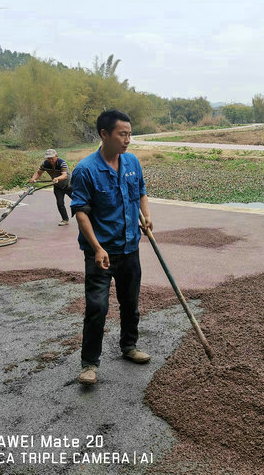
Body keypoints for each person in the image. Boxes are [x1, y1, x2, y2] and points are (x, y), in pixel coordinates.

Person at [70, 109, 153, 385]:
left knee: (130, 303)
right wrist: (96, 248)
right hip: (101, 253)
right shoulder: (86, 170)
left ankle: (129, 346)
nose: (128, 139)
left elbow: (140, 192)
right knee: (97, 306)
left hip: (131, 247)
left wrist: (147, 216)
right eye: (123, 134)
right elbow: (81, 212)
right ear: (104, 134)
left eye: (130, 134)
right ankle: (89, 364)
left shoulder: (132, 163)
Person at [29, 149, 73, 226]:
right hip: (58, 187)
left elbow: (64, 175)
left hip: (68, 185)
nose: (50, 160)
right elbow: (39, 172)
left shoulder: (62, 163)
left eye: (52, 158)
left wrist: (57, 178)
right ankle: (65, 219)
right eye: (48, 158)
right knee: (60, 203)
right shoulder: (45, 164)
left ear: (56, 156)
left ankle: (90, 215)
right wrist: (33, 178)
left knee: (78, 200)